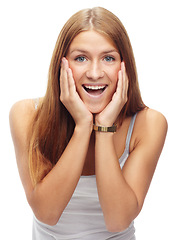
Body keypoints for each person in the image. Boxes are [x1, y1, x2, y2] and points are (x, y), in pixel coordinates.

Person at [9, 7, 167, 240]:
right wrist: (83, 126)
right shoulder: (26, 115)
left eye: (108, 58)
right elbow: (47, 213)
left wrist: (103, 128)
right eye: (81, 58)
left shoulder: (149, 123)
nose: (94, 73)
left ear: (125, 66)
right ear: (61, 65)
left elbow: (117, 220)